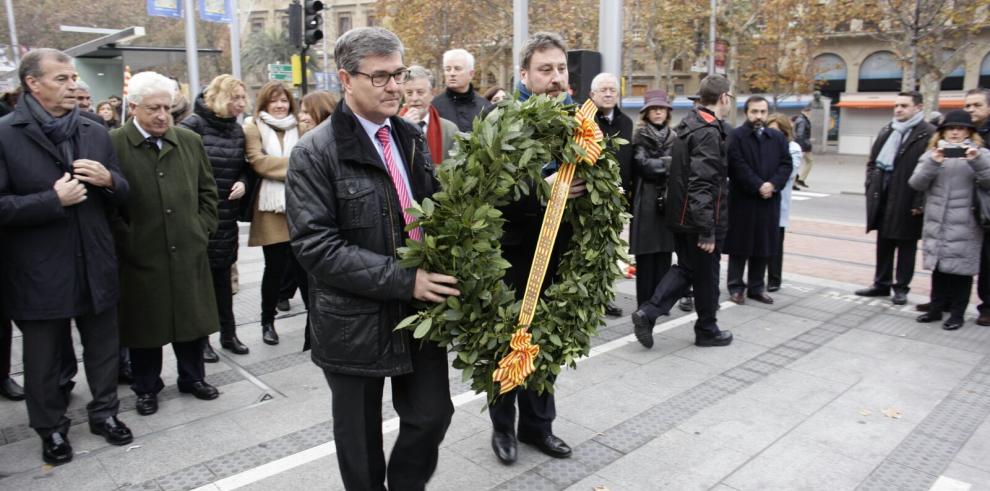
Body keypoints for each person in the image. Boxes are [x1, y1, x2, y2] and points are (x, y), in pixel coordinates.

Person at [285, 27, 458, 490]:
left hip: (419, 312)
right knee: (360, 443)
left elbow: (433, 208)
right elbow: (315, 246)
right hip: (352, 321)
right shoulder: (313, 152)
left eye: (398, 74)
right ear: (346, 78)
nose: (395, 87)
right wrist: (405, 280)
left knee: (432, 416)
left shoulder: (409, 137)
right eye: (380, 77)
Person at [0, 48, 133, 464]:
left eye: (73, 78)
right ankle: (51, 429)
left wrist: (111, 180)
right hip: (39, 270)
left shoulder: (94, 130)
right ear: (32, 84)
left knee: (104, 348)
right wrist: (51, 200)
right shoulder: (5, 133)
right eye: (61, 79)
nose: (73, 85)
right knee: (42, 360)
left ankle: (105, 413)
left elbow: (125, 195)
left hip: (95, 261)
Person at [489, 31, 584, 467]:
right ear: (524, 73)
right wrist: (542, 190)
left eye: (561, 68)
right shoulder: (503, 119)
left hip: (560, 250)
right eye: (545, 69)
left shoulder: (580, 121)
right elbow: (491, 192)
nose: (555, 77)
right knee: (509, 339)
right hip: (513, 249)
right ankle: (503, 427)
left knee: (546, 338)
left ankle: (538, 426)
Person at [110, 71, 221, 416]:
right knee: (146, 326)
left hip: (188, 249)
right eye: (153, 109)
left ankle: (192, 378)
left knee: (190, 320)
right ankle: (146, 387)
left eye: (167, 109)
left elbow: (208, 191)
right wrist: (127, 240)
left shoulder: (188, 141)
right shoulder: (113, 144)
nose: (162, 116)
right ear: (133, 108)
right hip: (141, 254)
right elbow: (108, 204)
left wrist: (201, 228)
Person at [630, 74, 735, 349]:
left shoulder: (689, 124)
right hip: (699, 219)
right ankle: (706, 329)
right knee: (706, 275)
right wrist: (707, 229)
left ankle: (648, 313)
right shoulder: (708, 131)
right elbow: (702, 183)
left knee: (687, 269)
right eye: (730, 97)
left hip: (682, 217)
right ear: (723, 97)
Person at [179, 75, 251, 359]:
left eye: (243, 98)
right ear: (221, 97)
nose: (241, 104)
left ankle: (229, 334)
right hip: (199, 217)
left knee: (222, 281)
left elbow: (244, 166)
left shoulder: (236, 130)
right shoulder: (193, 125)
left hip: (227, 216)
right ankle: (202, 340)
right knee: (201, 286)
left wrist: (244, 182)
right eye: (236, 98)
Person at [909, 109, 990, 330]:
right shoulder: (931, 154)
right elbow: (916, 183)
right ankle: (935, 309)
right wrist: (933, 163)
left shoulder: (981, 154)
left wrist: (977, 161)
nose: (955, 133)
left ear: (969, 132)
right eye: (950, 128)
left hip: (967, 222)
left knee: (962, 271)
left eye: (960, 128)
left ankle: (957, 314)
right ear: (943, 131)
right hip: (937, 221)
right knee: (939, 269)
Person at [244, 81, 308, 346]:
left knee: (305, 269)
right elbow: (258, 162)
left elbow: (309, 160)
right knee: (274, 269)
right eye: (274, 101)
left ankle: (316, 324)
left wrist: (280, 166)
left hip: (300, 205)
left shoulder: (301, 126)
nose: (280, 106)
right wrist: (296, 164)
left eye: (284, 101)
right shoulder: (253, 126)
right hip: (270, 209)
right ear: (264, 104)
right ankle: (266, 322)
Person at [856, 91, 934, 305]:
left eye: (904, 106)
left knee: (906, 245)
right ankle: (881, 284)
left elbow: (930, 171)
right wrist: (870, 183)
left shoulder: (928, 134)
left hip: (908, 198)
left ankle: (901, 288)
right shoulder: (888, 130)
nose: (898, 109)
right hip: (882, 196)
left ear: (918, 108)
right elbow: (872, 162)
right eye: (896, 105)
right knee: (884, 242)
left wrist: (920, 201)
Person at [723, 96, 793, 305]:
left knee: (763, 245)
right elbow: (736, 165)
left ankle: (756, 287)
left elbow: (786, 164)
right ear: (747, 113)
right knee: (739, 247)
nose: (759, 116)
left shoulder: (776, 137)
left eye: (762, 112)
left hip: (768, 201)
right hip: (743, 201)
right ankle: (735, 287)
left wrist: (772, 184)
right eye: (754, 112)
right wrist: (758, 185)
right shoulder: (736, 136)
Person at [589, 72, 633, 318]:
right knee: (589, 251)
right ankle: (588, 301)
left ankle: (605, 297)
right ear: (592, 95)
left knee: (610, 251)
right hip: (590, 199)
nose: (608, 94)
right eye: (603, 90)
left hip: (617, 200)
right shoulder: (585, 121)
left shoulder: (626, 122)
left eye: (612, 90)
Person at [629, 89, 677, 307]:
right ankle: (644, 303)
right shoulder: (639, 136)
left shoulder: (675, 137)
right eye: (654, 109)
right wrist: (668, 163)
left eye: (662, 108)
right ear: (646, 113)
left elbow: (679, 165)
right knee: (646, 256)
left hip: (667, 201)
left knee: (664, 254)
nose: (658, 112)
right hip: (646, 200)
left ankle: (659, 302)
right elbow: (643, 166)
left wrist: (661, 164)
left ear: (667, 112)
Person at [765, 113, 803, 291]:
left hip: (778, 202)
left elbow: (787, 173)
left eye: (777, 131)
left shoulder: (793, 148)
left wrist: (767, 182)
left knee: (775, 243)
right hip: (760, 201)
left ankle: (774, 278)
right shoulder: (762, 146)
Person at [964, 88, 990, 325]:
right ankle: (948, 300)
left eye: (977, 105)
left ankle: (988, 307)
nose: (971, 109)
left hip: (987, 208)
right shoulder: (965, 133)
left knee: (988, 261)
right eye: (968, 105)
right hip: (965, 204)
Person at [400, 65, 459, 164]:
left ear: (432, 94)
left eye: (420, 92)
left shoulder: (450, 130)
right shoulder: (391, 127)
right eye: (409, 93)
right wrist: (403, 130)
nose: (414, 98)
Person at [432, 48, 491, 132]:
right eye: (448, 69)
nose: (452, 73)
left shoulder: (485, 108)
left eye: (457, 69)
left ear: (471, 74)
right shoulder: (434, 107)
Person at [792, 105, 812, 188]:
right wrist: (802, 148)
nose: (811, 114)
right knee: (798, 164)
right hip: (803, 146)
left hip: (804, 145)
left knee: (807, 162)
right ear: (806, 112)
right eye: (810, 112)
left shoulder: (802, 119)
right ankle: (798, 180)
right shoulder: (803, 120)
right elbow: (800, 135)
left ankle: (798, 181)